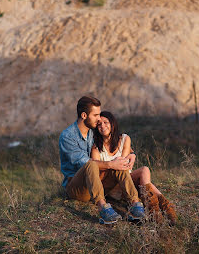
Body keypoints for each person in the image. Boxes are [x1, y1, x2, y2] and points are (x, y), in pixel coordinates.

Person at [59, 96, 146, 224]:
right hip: (77, 187)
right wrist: (110, 164)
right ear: (84, 115)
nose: (99, 118)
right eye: (96, 115)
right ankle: (103, 208)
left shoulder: (92, 130)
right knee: (92, 164)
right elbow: (85, 163)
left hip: (96, 183)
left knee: (118, 164)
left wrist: (132, 153)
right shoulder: (67, 136)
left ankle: (135, 204)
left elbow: (111, 139)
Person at [91, 111, 177, 225]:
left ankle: (157, 209)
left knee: (145, 170)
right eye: (99, 124)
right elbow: (98, 173)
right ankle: (162, 208)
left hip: (127, 180)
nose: (102, 126)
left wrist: (132, 154)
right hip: (112, 185)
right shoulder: (96, 147)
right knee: (143, 182)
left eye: (105, 122)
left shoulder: (124, 139)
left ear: (112, 124)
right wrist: (114, 163)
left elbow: (125, 165)